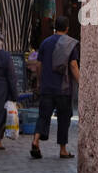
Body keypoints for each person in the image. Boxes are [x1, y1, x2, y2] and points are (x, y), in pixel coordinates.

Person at [30, 15, 79, 160]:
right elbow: (73, 66)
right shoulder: (70, 44)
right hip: (63, 89)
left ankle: (35, 140)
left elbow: (38, 65)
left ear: (55, 27)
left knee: (43, 116)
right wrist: (81, 83)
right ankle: (63, 150)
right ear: (67, 28)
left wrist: (40, 81)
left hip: (47, 88)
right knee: (64, 118)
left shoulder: (45, 43)